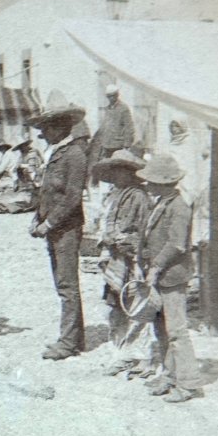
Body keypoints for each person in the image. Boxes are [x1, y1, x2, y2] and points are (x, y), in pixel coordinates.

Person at [135, 154, 201, 403]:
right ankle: (170, 375)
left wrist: (156, 266)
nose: (147, 184)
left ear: (163, 183)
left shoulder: (179, 207)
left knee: (176, 330)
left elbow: (176, 244)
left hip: (172, 276)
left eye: (151, 180)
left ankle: (190, 383)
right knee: (160, 329)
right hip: (159, 275)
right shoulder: (161, 203)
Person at [29, 98, 88, 360]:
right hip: (54, 228)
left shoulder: (74, 155)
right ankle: (75, 338)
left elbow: (72, 197)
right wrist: (36, 217)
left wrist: (50, 223)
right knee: (62, 283)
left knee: (67, 285)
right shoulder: (57, 153)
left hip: (66, 229)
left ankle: (68, 342)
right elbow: (47, 192)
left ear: (60, 127)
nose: (42, 134)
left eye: (46, 128)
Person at [92, 149, 152, 375]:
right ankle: (120, 352)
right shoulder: (116, 195)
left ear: (130, 172)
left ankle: (138, 355)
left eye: (120, 170)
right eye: (114, 170)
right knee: (115, 306)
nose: (116, 175)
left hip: (131, 259)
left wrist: (121, 239)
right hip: (116, 258)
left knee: (135, 307)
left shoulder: (139, 197)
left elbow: (143, 233)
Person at [89, 85, 135, 176]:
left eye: (112, 95)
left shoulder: (123, 108)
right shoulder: (108, 108)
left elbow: (129, 127)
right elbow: (105, 126)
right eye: (108, 96)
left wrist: (127, 145)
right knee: (108, 166)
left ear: (117, 95)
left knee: (117, 167)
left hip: (118, 144)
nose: (111, 98)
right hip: (107, 144)